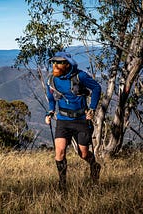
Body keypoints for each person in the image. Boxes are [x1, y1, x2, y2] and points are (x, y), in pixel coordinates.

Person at [45, 51, 102, 190]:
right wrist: (50, 111)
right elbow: (51, 99)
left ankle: (94, 166)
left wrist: (92, 109)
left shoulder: (80, 76)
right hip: (63, 120)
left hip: (81, 119)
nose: (55, 65)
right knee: (59, 152)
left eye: (58, 62)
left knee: (83, 154)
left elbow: (97, 88)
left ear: (66, 64)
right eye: (53, 62)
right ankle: (62, 184)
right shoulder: (51, 80)